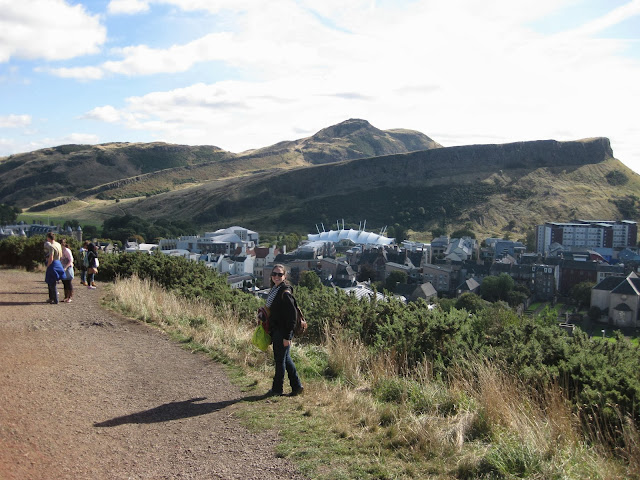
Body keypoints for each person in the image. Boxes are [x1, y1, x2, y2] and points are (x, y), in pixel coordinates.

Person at [264, 264, 304, 397]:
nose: (276, 276)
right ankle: (297, 386)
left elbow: (292, 317)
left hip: (283, 332)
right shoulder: (276, 290)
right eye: (274, 274)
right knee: (285, 358)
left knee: (280, 360)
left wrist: (287, 337)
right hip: (278, 330)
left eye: (279, 274)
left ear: (284, 276)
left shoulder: (285, 293)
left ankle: (277, 389)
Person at [44, 232, 65, 304]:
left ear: (48, 238)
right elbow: (61, 255)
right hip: (58, 262)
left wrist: (48, 265)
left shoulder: (51, 246)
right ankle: (52, 298)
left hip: (53, 263)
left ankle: (55, 299)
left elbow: (51, 257)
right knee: (53, 282)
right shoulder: (58, 244)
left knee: (51, 282)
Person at [60, 238, 74, 302]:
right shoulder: (60, 251)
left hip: (68, 267)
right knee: (64, 282)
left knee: (68, 282)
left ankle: (69, 297)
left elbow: (71, 259)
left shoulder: (67, 250)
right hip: (62, 267)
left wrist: (66, 267)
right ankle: (65, 296)